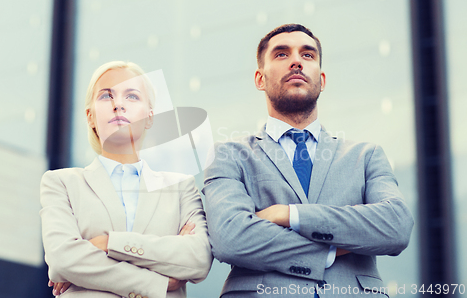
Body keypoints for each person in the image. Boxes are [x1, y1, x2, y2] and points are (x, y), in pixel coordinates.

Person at [202, 24, 414, 297]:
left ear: (322, 80)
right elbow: (230, 238)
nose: (296, 61)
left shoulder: (366, 155)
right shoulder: (229, 154)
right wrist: (333, 248)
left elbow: (395, 226)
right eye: (281, 54)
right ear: (260, 79)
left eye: (307, 55)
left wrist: (290, 214)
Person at [40, 61, 212, 298]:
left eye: (131, 96)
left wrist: (109, 243)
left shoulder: (181, 187)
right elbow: (62, 260)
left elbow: (198, 260)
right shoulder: (61, 183)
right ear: (90, 116)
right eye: (106, 96)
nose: (118, 104)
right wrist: (158, 283)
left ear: (150, 117)